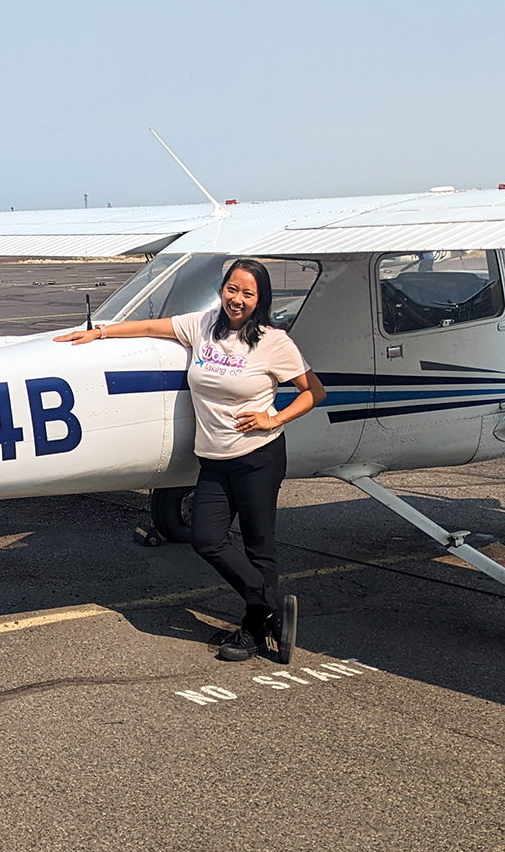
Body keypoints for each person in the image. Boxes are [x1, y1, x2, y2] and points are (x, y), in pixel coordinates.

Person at [54, 259, 326, 664]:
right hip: (214, 458)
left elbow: (313, 391)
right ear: (223, 290)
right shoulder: (203, 325)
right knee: (206, 539)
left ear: (260, 299)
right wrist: (100, 332)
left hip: (259, 456)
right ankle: (269, 605)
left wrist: (274, 417)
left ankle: (253, 631)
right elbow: (150, 327)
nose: (237, 299)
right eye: (232, 289)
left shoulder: (273, 341)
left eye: (247, 294)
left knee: (258, 544)